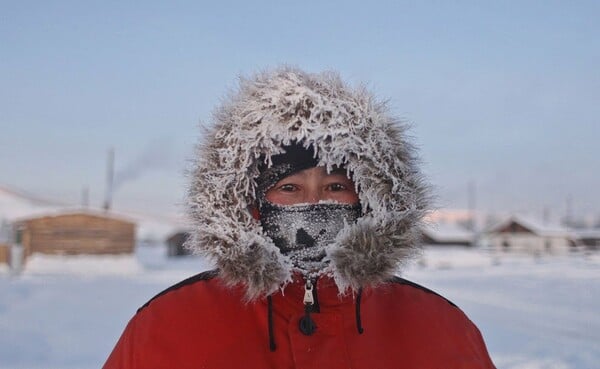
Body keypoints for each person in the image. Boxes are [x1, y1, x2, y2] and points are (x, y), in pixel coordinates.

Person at [104, 67, 496, 368]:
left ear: (369, 201)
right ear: (251, 202)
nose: (313, 206)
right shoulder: (168, 324)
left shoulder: (440, 328)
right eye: (289, 188)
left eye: (336, 187)